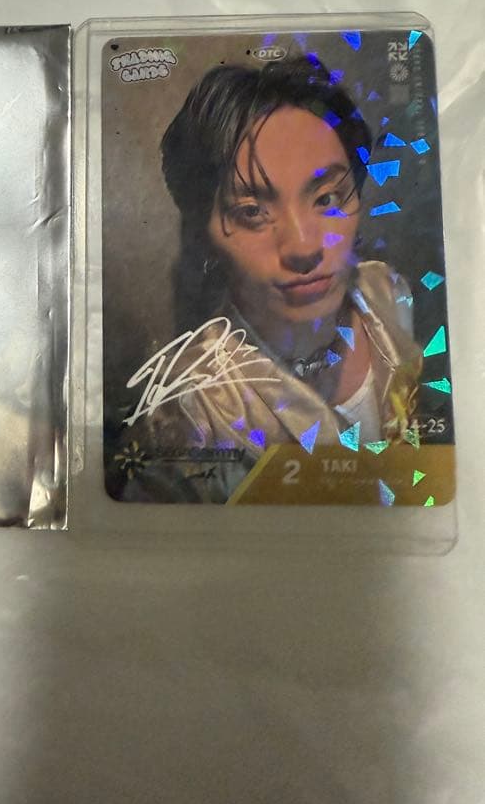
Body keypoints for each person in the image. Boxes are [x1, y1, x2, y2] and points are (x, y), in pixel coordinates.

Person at [110, 55, 423, 503]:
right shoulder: (191, 414)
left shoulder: (387, 291)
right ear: (205, 229)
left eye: (327, 198)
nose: (303, 246)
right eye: (252, 212)